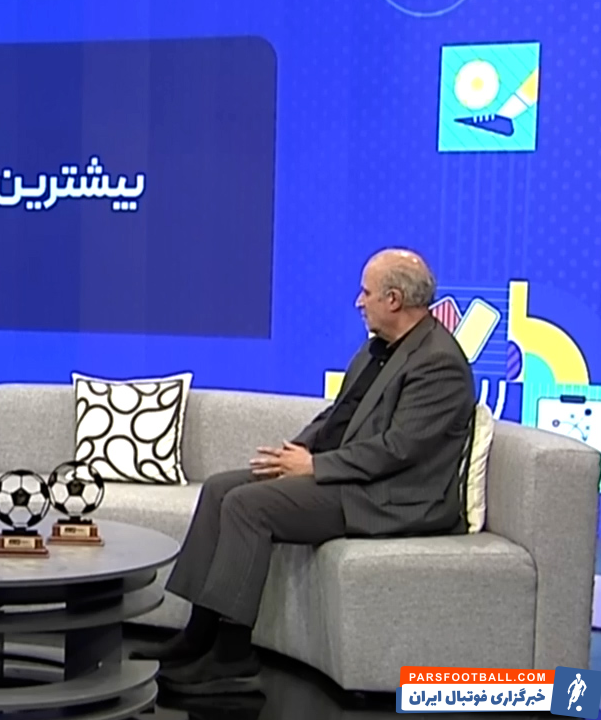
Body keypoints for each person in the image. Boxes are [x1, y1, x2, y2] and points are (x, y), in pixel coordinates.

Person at [134, 249, 475, 695]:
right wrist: (296, 452)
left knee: (248, 505)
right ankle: (198, 634)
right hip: (350, 475)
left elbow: (399, 450)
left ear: (393, 299)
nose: (358, 302)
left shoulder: (438, 363)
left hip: (392, 496)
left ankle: (233, 655)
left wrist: (314, 466)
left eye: (366, 293)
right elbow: (339, 414)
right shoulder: (378, 348)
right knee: (219, 489)